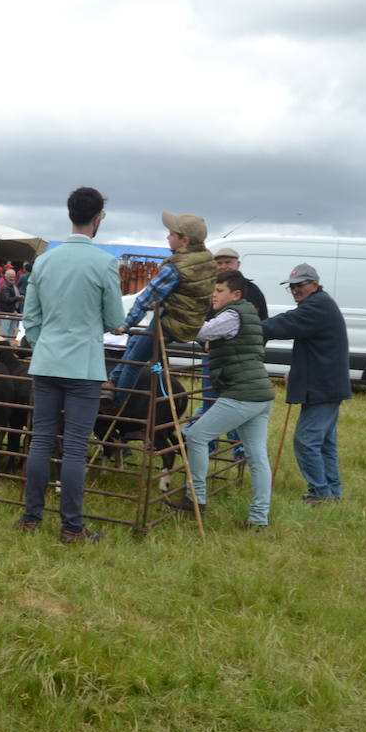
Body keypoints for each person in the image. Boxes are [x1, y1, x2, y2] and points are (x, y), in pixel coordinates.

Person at [14, 187, 125, 544]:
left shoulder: (45, 260)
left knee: (41, 440)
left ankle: (31, 518)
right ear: (98, 220)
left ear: (69, 215)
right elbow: (113, 319)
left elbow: (30, 317)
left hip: (46, 362)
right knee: (76, 446)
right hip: (84, 366)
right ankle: (72, 528)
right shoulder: (105, 263)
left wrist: (44, 341)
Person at [164, 271, 274, 528]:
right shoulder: (249, 314)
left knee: (196, 436)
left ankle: (195, 499)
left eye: (220, 290)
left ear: (235, 294)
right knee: (258, 458)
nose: (214, 293)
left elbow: (202, 331)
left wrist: (176, 317)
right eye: (214, 289)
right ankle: (259, 519)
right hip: (260, 394)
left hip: (242, 393)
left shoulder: (232, 315)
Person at [261, 263, 351, 503]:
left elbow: (284, 324)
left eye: (300, 285)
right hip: (326, 384)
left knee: (306, 441)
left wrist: (250, 327)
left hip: (323, 386)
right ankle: (332, 493)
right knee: (324, 442)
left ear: (314, 283)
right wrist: (296, 370)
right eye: (291, 287)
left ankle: (320, 493)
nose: (295, 290)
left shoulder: (316, 306)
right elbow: (313, 344)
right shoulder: (320, 303)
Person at [110, 212, 217, 409]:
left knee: (135, 359)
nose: (167, 237)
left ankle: (116, 401)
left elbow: (148, 297)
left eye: (171, 234)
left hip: (170, 322)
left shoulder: (176, 267)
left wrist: (127, 324)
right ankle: (113, 379)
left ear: (184, 240)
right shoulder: (207, 259)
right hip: (190, 321)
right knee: (135, 341)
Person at [211, 248, 267, 319]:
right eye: (219, 263)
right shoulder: (207, 289)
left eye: (228, 262)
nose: (223, 266)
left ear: (238, 264)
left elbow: (262, 317)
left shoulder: (251, 289)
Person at [0, 267, 22, 338]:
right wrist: (17, 298)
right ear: (6, 277)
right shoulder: (5, 286)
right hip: (6, 311)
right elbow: (6, 299)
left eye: (14, 276)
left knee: (12, 330)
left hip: (13, 311)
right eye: (11, 277)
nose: (13, 278)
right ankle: (3, 346)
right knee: (5, 331)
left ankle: (9, 346)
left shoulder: (13, 285)